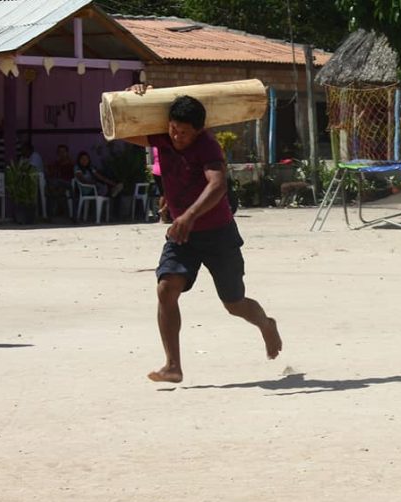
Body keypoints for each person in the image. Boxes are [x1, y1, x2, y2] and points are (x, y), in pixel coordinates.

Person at [121, 85, 282, 382]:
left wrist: (189, 216)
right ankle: (173, 365)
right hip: (183, 234)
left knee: (234, 304)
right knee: (166, 289)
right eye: (172, 129)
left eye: (183, 132)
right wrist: (133, 97)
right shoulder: (162, 138)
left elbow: (218, 185)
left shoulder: (207, 146)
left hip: (218, 233)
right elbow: (119, 129)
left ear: (198, 130)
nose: (176, 136)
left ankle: (265, 324)